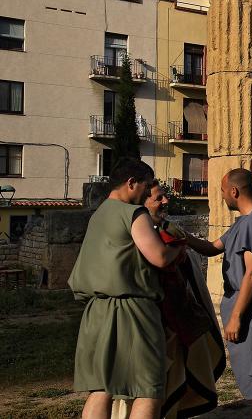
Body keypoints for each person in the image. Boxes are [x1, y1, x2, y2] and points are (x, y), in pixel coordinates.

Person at [68, 159, 185, 419]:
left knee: (102, 389)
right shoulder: (133, 213)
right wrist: (179, 249)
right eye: (146, 186)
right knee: (148, 389)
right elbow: (159, 257)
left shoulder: (98, 214)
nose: (147, 193)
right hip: (132, 311)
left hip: (96, 312)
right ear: (131, 183)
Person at [114, 182, 226, 419]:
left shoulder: (168, 232)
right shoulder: (130, 239)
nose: (166, 202)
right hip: (146, 328)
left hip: (174, 329)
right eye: (159, 198)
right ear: (142, 202)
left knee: (168, 391)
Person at [185, 169, 252, 418]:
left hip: (251, 305)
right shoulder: (244, 222)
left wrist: (237, 315)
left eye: (223, 191)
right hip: (243, 302)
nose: (223, 197)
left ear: (234, 192)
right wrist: (182, 237)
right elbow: (212, 248)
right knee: (251, 371)